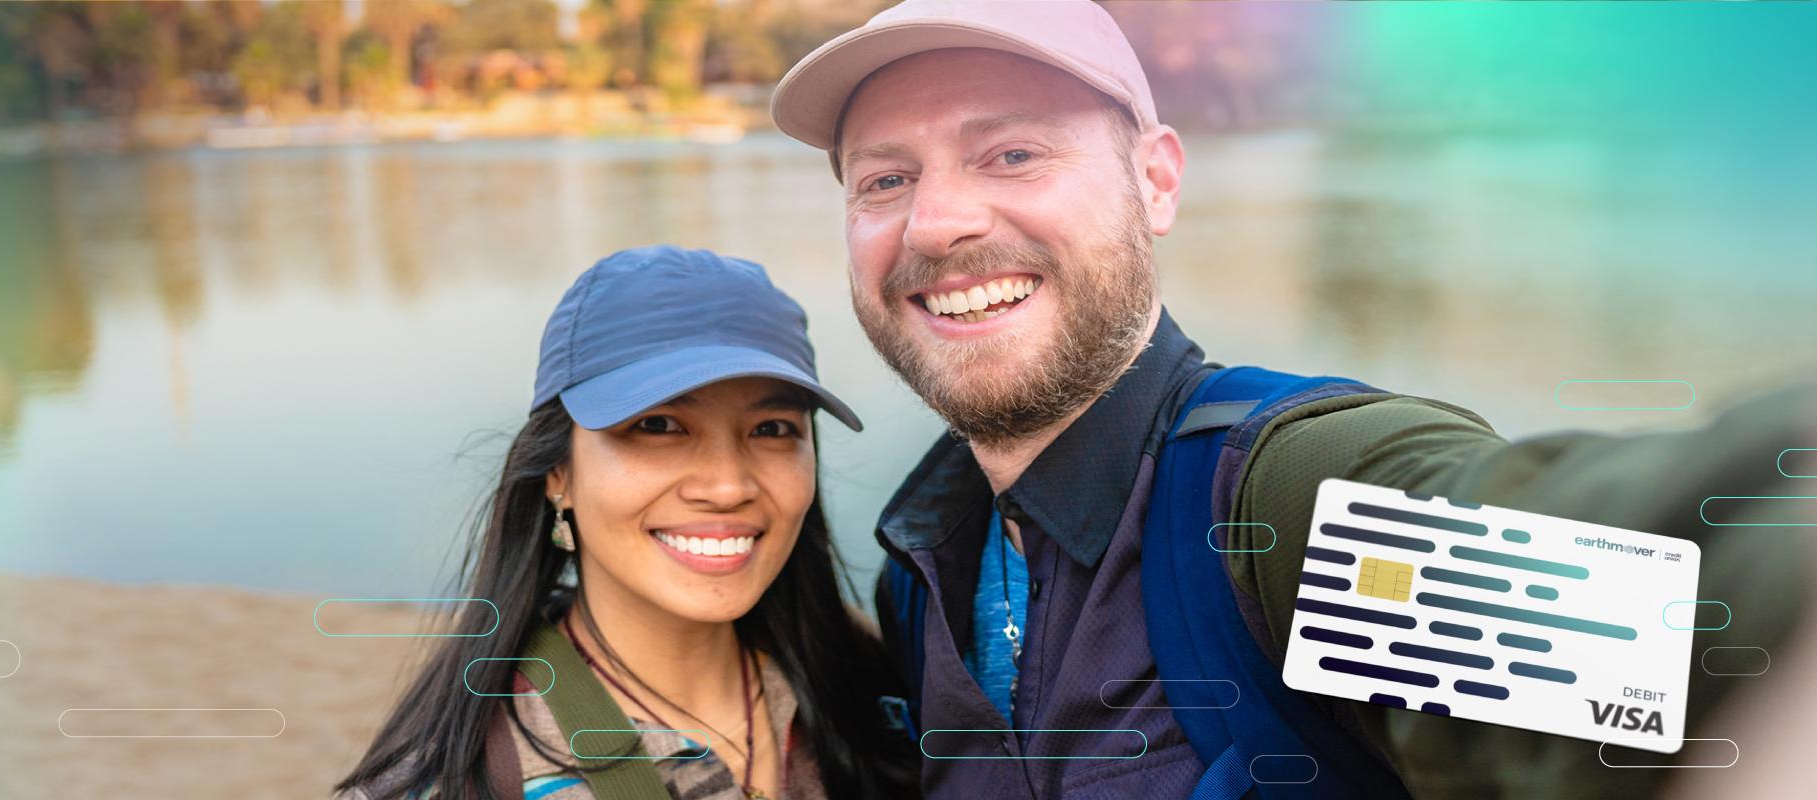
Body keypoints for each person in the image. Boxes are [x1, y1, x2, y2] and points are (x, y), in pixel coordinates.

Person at [769, 1, 1815, 798]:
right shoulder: (924, 573)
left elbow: (1701, 613)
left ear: (1155, 180)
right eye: (882, 180)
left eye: (1011, 153)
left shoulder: (1287, 517)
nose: (936, 222)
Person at [334, 246, 919, 800]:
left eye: (771, 429)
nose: (728, 486)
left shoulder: (869, 678)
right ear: (557, 470)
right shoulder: (459, 777)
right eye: (659, 425)